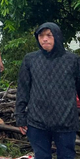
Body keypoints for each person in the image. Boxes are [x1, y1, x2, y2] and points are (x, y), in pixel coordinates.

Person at [15, 22, 80, 159]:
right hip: (37, 121)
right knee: (42, 156)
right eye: (41, 35)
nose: (45, 39)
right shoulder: (30, 60)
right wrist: (20, 117)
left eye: (49, 35)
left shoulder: (72, 60)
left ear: (57, 37)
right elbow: (23, 90)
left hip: (66, 121)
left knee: (67, 156)